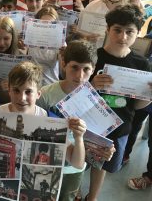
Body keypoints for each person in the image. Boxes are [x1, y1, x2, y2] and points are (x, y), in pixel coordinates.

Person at [0, 61, 86, 170]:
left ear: (38, 94)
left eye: (28, 92)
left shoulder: (50, 120)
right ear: (9, 90)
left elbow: (77, 164)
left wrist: (78, 138)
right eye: (16, 90)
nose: (22, 98)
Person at [86, 4, 152, 201]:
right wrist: (91, 85)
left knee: (102, 165)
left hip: (119, 127)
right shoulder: (93, 56)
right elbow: (73, 93)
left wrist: (148, 95)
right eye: (117, 30)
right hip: (88, 123)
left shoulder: (141, 64)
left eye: (129, 31)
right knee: (77, 161)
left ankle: (92, 198)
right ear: (107, 29)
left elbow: (137, 106)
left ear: (138, 33)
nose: (123, 37)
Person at [37, 40, 114, 200]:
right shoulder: (45, 94)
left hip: (74, 169)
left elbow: (97, 138)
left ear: (93, 69)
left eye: (86, 69)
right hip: (46, 163)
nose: (80, 76)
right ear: (63, 64)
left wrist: (104, 150)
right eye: (74, 67)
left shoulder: (96, 101)